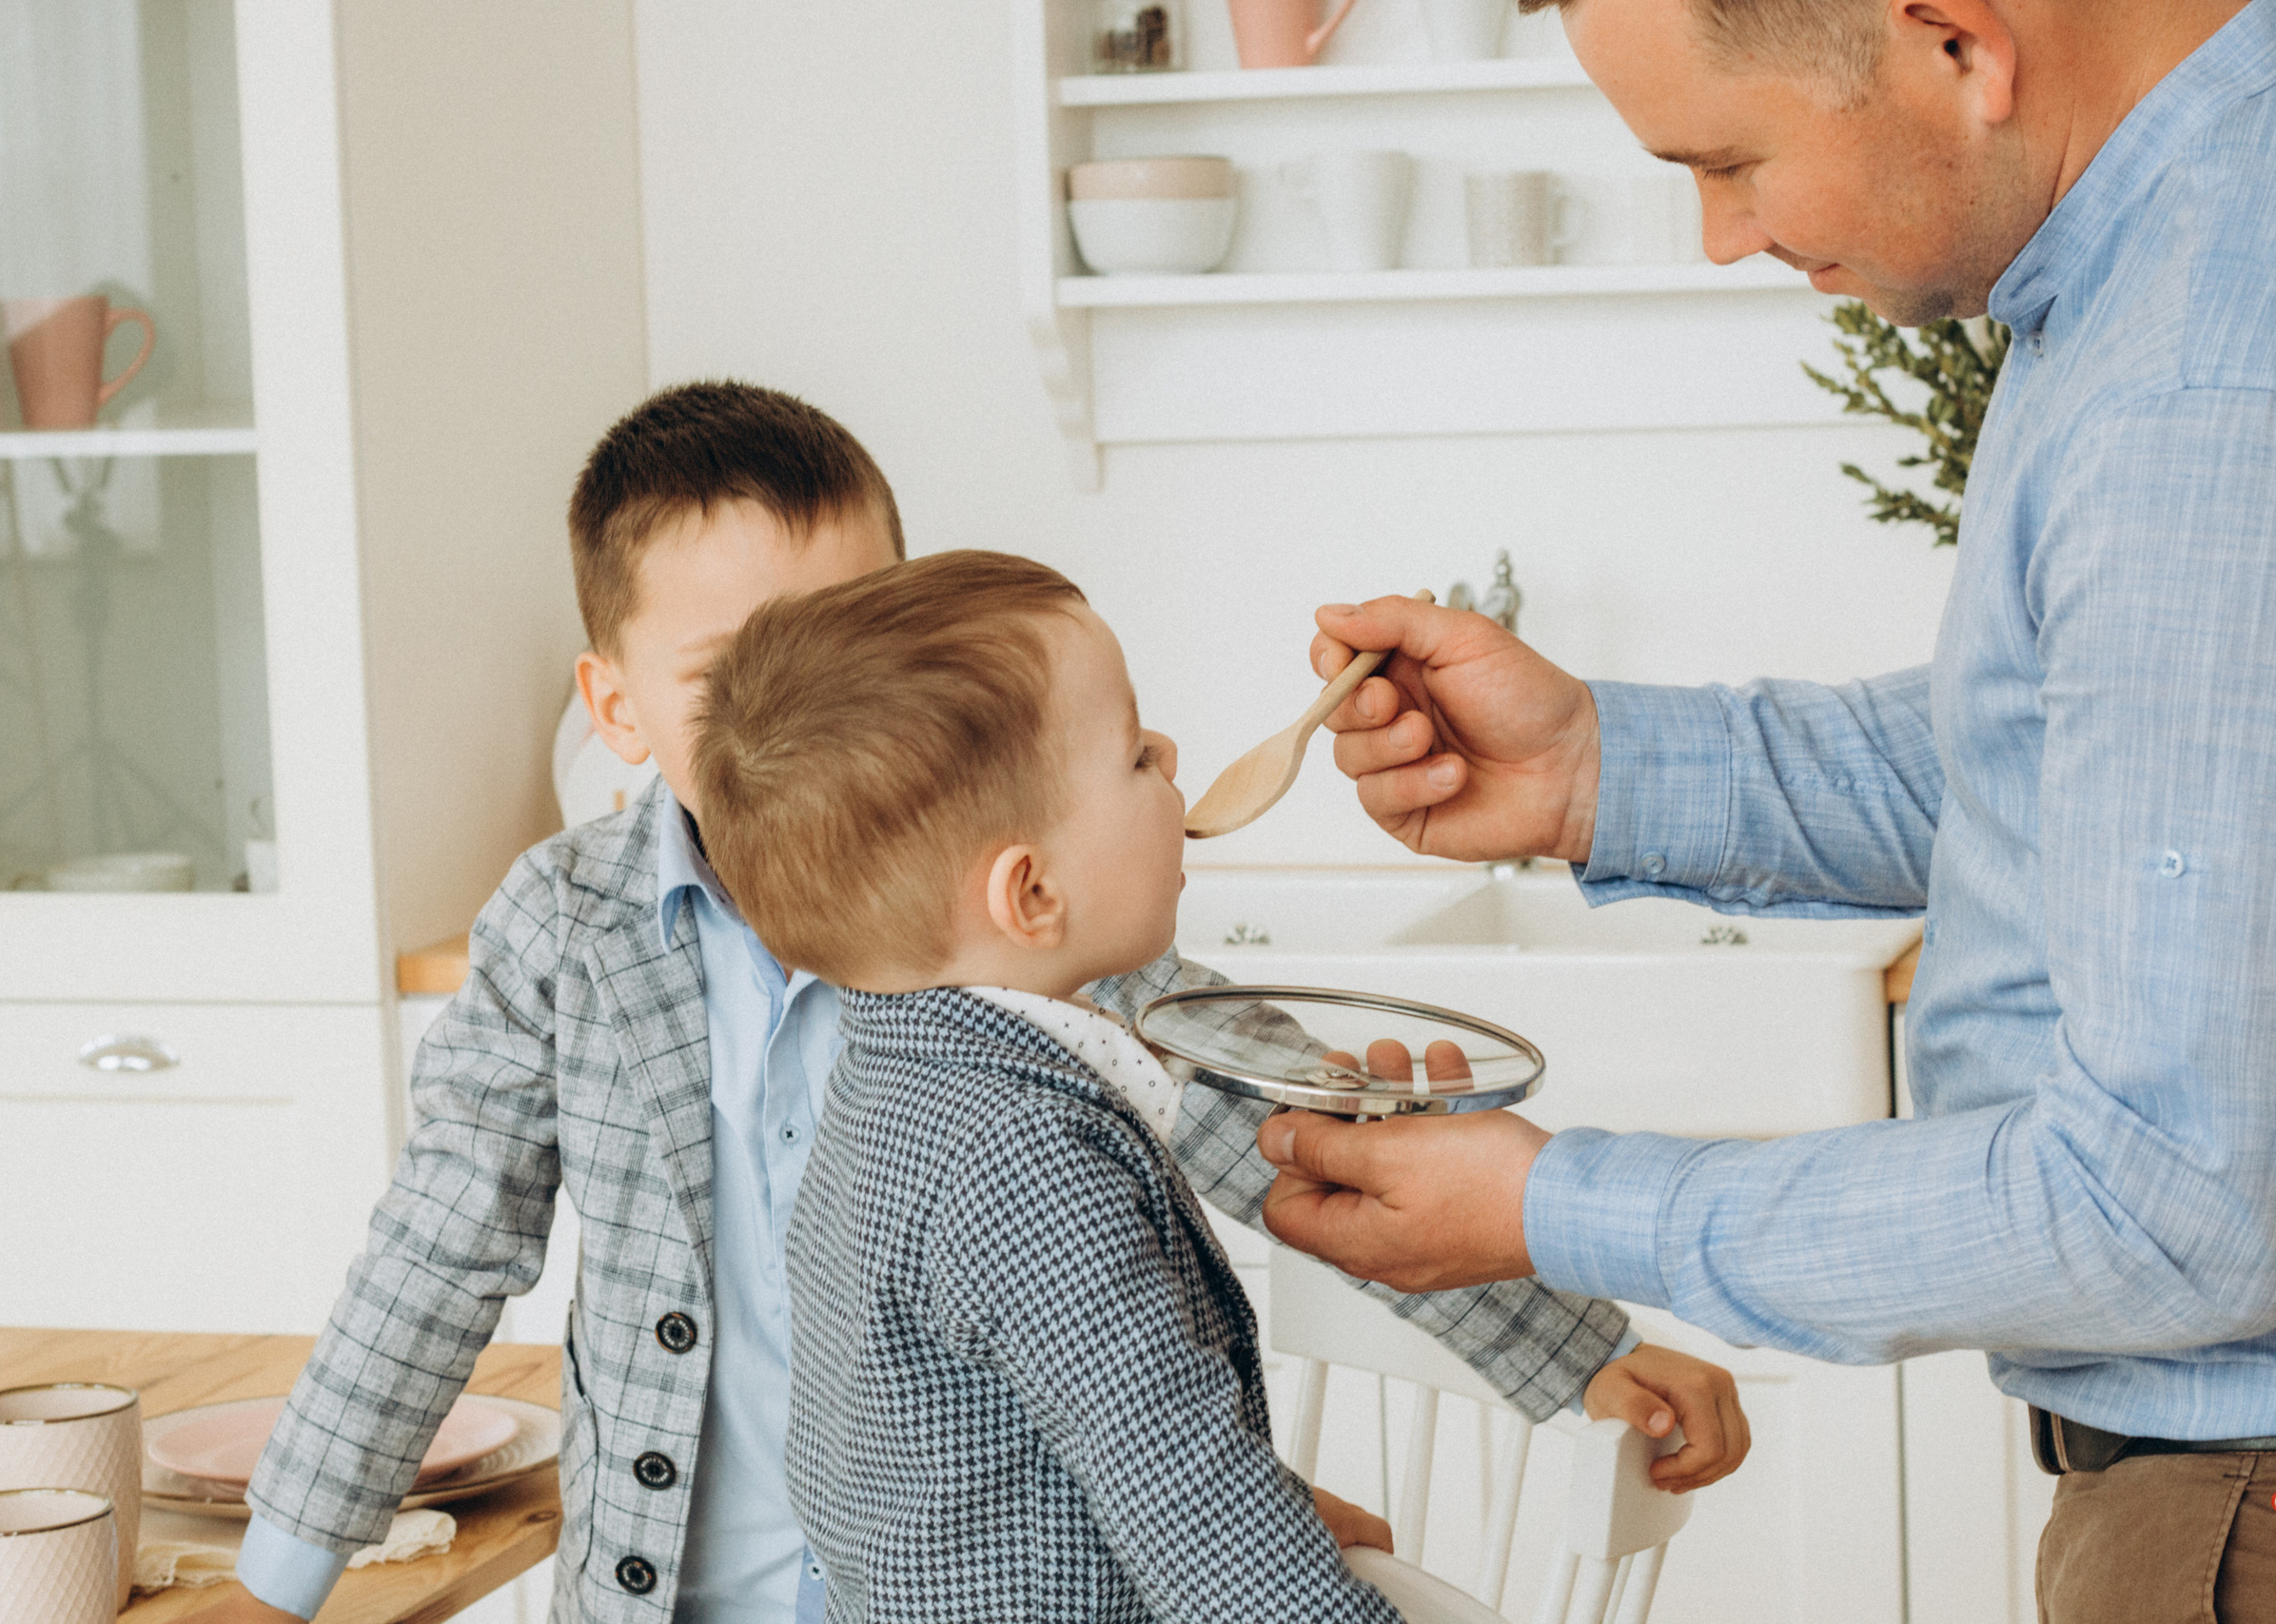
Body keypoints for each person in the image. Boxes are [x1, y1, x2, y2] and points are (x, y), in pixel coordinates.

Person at [1254, 0, 2276, 1617]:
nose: (1723, 237)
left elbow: (2177, 1207)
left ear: (1957, 40)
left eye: (1732, 161)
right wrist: (1591, 767)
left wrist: (1558, 1205)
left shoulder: (2211, 394)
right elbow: (2084, 765)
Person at [204, 384, 1734, 1624]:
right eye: (747, 674)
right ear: (612, 706)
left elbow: (1289, 1128)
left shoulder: (1038, 939)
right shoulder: (562, 924)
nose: (831, 715)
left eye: (865, 637)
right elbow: (436, 1246)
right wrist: (284, 1575)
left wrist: (1575, 1341)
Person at [693, 551, 1422, 1619]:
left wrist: (1274, 1506)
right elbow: (1197, 1513)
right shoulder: (1019, 1155)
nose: (1171, 754)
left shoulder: (883, 1079)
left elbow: (1005, 1438)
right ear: (1030, 893)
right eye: (1133, 755)